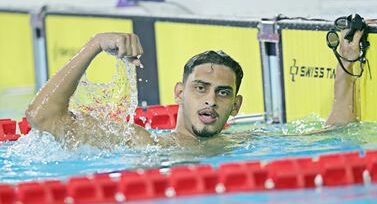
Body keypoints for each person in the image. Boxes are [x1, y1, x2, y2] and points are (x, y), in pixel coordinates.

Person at [25, 28, 362, 149]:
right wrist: (96, 44)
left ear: (237, 105)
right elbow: (42, 118)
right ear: (178, 93)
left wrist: (346, 64)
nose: (211, 100)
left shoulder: (250, 142)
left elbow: (339, 132)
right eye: (200, 88)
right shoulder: (142, 142)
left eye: (223, 92)